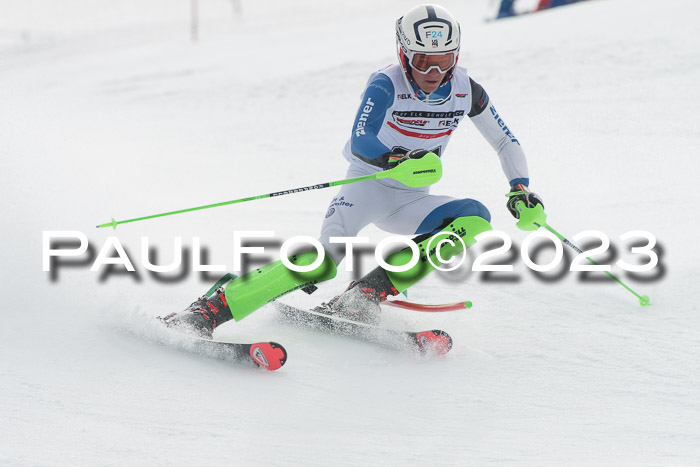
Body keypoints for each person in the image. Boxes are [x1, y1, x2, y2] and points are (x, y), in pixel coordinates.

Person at [162, 4, 544, 337]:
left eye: (443, 60)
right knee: (324, 263)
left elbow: (505, 141)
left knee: (475, 217)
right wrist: (395, 161)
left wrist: (520, 189)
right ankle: (205, 313)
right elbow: (361, 138)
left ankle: (365, 295)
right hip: (366, 188)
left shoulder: (467, 90)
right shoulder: (386, 83)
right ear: (403, 53)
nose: (433, 70)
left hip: (412, 202)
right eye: (422, 60)